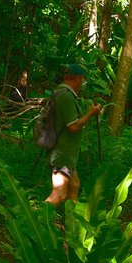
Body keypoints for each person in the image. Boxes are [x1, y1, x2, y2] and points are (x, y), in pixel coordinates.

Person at [45, 64, 101, 206]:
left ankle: (72, 223)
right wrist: (91, 113)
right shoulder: (65, 96)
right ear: (78, 78)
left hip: (67, 154)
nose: (82, 83)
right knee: (59, 193)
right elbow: (73, 126)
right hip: (62, 154)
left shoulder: (61, 92)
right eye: (82, 79)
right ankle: (33, 221)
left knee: (74, 184)